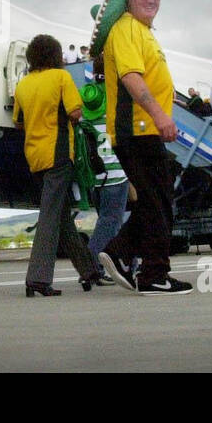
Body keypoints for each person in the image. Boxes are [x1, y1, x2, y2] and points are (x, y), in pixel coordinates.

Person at [94, 0, 194, 295]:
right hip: (136, 129)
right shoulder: (125, 29)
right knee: (156, 202)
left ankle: (129, 257)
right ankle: (150, 272)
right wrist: (160, 114)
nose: (151, 0)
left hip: (145, 129)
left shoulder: (144, 33)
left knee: (158, 201)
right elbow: (131, 77)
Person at [12, 34, 101, 296]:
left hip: (34, 156)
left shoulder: (23, 85)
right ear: (55, 55)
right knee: (50, 217)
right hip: (59, 153)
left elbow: (18, 121)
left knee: (60, 216)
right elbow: (75, 112)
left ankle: (89, 271)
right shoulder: (62, 78)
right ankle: (37, 279)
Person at [79, 79, 129, 283]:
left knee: (107, 223)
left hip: (96, 179)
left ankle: (109, 267)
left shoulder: (85, 120)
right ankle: (90, 266)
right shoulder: (112, 116)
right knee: (111, 223)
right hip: (116, 177)